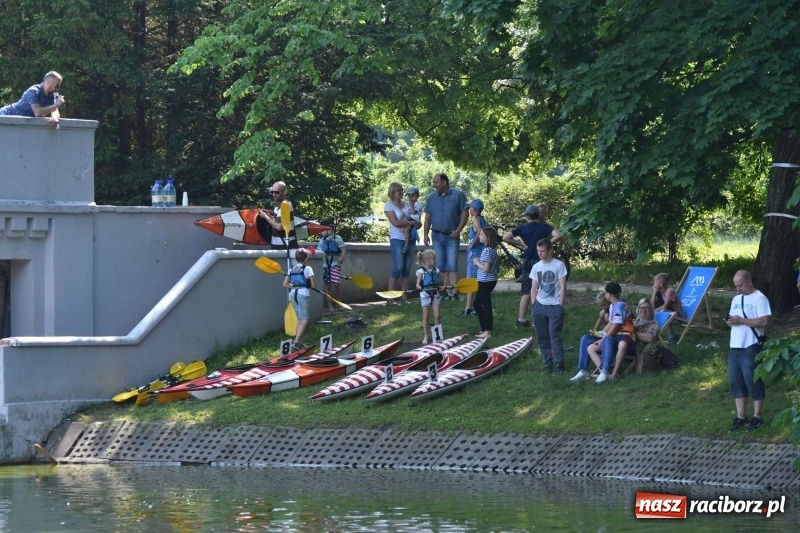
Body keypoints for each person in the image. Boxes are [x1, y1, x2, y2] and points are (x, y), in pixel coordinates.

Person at [725, 270, 771, 431]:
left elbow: (764, 322)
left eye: (740, 285)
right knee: (735, 381)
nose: (738, 289)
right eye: (736, 286)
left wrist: (742, 320)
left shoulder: (760, 298)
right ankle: (741, 416)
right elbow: (732, 321)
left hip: (751, 345)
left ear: (749, 281)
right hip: (735, 345)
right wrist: (730, 322)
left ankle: (757, 416)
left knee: (752, 379)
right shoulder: (736, 299)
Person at [502, 204, 562, 327]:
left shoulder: (523, 228)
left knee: (527, 291)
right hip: (539, 262)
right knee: (542, 290)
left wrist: (520, 243)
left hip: (527, 261)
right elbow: (558, 235)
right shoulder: (544, 227)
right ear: (538, 215)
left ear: (527, 216)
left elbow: (505, 237)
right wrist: (546, 245)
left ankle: (521, 319)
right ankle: (541, 318)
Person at [571, 281, 634, 384]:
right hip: (614, 335)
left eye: (605, 293)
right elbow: (611, 324)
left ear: (609, 294)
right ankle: (583, 370)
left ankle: (604, 371)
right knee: (586, 338)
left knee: (608, 339)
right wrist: (599, 334)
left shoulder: (620, 305)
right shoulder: (612, 306)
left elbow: (617, 326)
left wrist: (603, 339)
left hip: (623, 336)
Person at [423, 172, 469, 301]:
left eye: (436, 182)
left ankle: (454, 292)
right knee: (442, 265)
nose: (434, 185)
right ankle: (448, 292)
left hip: (451, 236)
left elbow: (465, 214)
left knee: (452, 264)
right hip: (437, 235)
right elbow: (427, 218)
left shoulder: (458, 195)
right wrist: (426, 235)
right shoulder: (431, 198)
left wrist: (458, 230)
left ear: (444, 182)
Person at [530, 238, 568, 374]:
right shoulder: (536, 266)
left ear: (550, 250)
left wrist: (560, 305)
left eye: (542, 251)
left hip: (555, 306)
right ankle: (547, 363)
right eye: (538, 251)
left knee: (554, 336)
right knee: (542, 337)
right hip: (540, 306)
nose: (540, 253)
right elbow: (534, 288)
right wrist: (534, 305)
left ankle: (559, 364)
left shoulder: (559, 265)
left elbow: (563, 286)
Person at [385, 182, 421, 304]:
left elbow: (417, 219)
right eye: (398, 190)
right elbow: (395, 223)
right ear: (392, 192)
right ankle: (390, 298)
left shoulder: (407, 204)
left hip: (410, 239)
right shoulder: (388, 206)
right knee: (398, 267)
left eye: (401, 190)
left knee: (406, 269)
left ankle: (404, 297)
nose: (400, 192)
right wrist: (411, 223)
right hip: (397, 239)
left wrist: (416, 224)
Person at [609, 298, 659, 379]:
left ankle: (614, 372)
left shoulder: (653, 324)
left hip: (635, 348)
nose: (643, 310)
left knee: (621, 343)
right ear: (638, 309)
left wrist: (631, 332)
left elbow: (650, 338)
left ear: (651, 310)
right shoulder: (632, 321)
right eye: (641, 307)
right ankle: (605, 369)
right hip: (621, 342)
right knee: (607, 341)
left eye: (646, 308)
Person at [0, 71, 65, 128]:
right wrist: (56, 104)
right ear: (48, 83)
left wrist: (55, 118)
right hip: (7, 115)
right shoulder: (34, 91)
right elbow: (37, 112)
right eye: (56, 86)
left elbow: (54, 110)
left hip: (20, 122)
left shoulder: (52, 94)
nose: (57, 89)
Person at [282, 248, 315, 350]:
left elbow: (285, 284)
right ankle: (296, 342)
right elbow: (313, 285)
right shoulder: (308, 269)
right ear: (305, 259)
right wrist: (306, 285)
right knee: (304, 320)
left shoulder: (291, 269)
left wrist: (295, 287)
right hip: (303, 294)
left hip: (293, 295)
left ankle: (299, 343)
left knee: (299, 319)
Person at [463, 199, 489, 317]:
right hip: (482, 251)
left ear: (473, 209)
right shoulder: (484, 219)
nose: (469, 210)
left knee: (471, 280)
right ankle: (478, 305)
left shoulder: (476, 219)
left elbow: (479, 232)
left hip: (475, 253)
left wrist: (472, 243)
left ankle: (468, 308)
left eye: (470, 208)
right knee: (479, 279)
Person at [473, 227, 499, 340]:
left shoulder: (487, 250)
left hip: (486, 281)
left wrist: (477, 262)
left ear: (487, 237)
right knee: (477, 304)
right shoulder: (491, 250)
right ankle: (484, 328)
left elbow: (486, 268)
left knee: (485, 305)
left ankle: (487, 331)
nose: (479, 236)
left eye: (481, 234)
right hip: (488, 281)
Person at [258, 181, 298, 250]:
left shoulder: (285, 205)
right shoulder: (278, 205)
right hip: (278, 247)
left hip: (285, 248)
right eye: (272, 192)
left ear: (284, 192)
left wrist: (266, 217)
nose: (274, 194)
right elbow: (276, 222)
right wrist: (270, 215)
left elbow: (279, 226)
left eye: (276, 192)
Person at [415, 249, 442, 345]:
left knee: (437, 315)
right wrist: (419, 287)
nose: (435, 260)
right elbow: (417, 284)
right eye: (434, 259)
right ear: (427, 260)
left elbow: (444, 278)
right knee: (426, 316)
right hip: (425, 294)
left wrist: (445, 286)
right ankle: (426, 336)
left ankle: (437, 335)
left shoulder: (436, 270)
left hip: (435, 294)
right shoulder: (421, 271)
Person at [318, 223, 346, 312]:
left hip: (335, 263)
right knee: (328, 285)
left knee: (336, 284)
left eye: (323, 230)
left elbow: (343, 249)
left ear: (329, 229)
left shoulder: (337, 238)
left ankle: (340, 303)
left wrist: (341, 258)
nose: (321, 232)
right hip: (324, 264)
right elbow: (319, 251)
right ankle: (330, 306)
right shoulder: (322, 240)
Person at [651, 272, 685, 343]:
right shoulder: (661, 291)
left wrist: (654, 311)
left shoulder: (670, 291)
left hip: (679, 316)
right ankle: (654, 334)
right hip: (671, 313)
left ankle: (671, 337)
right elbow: (652, 305)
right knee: (658, 312)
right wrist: (655, 292)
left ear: (661, 284)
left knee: (662, 312)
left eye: (655, 282)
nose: (654, 283)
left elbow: (665, 306)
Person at [403, 186, 423, 255]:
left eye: (413, 196)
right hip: (409, 219)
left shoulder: (417, 204)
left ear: (417, 196)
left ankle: (406, 245)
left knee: (407, 229)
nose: (411, 198)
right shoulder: (408, 204)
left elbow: (413, 212)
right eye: (409, 196)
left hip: (414, 220)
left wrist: (411, 204)